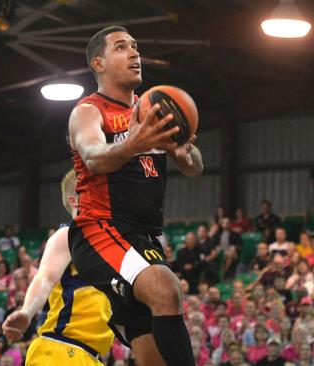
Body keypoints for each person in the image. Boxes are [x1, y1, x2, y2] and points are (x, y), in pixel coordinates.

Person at [59, 25, 203, 366]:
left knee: (152, 356)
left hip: (144, 234)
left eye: (136, 47)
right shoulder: (88, 112)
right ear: (98, 63)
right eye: (122, 47)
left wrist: (185, 155)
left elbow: (196, 166)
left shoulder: (152, 109)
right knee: (166, 290)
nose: (135, 53)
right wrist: (132, 144)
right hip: (101, 229)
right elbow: (93, 157)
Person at [3, 170, 135, 366]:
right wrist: (27, 312)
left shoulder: (110, 245)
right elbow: (45, 278)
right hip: (61, 350)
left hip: (91, 356)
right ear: (76, 201)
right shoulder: (67, 235)